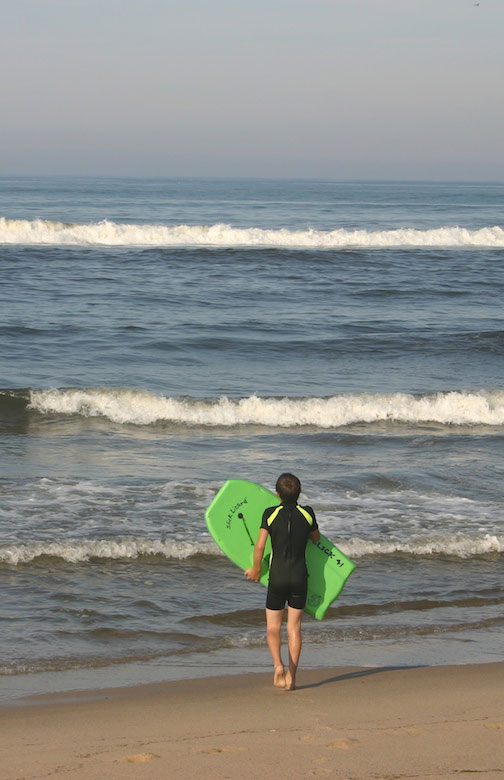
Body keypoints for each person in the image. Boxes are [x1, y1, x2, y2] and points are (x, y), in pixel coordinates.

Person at [244, 473, 320, 691]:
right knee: (294, 629)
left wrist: (256, 569)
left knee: (273, 627)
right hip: (299, 576)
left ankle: (278, 665)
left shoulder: (270, 513)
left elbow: (259, 547)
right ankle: (292, 677)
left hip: (277, 578)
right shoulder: (308, 513)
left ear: (277, 494)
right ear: (299, 493)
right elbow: (316, 539)